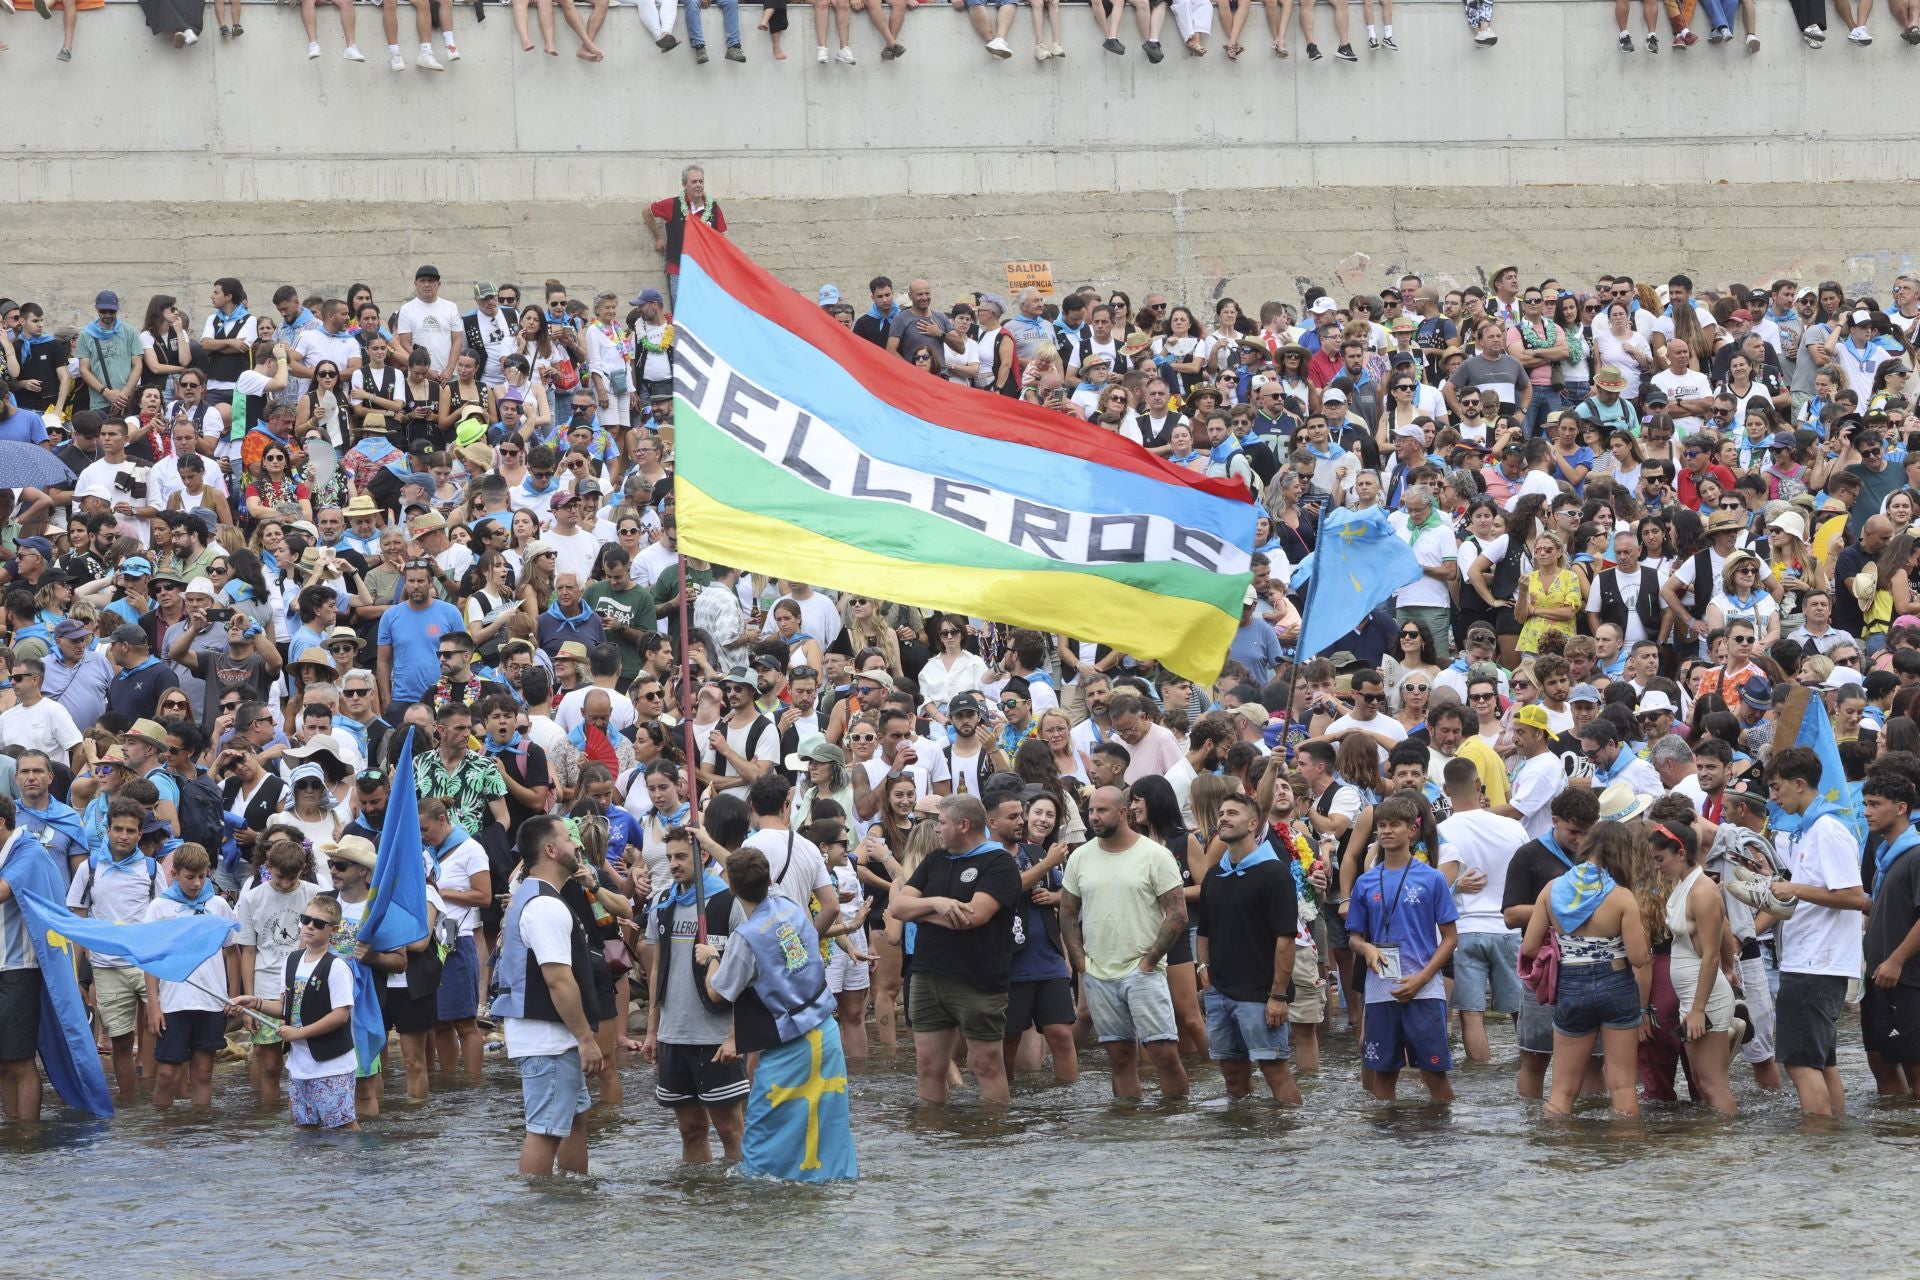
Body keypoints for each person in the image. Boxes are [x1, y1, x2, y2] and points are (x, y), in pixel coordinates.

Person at [700, 844, 859, 1183]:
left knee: (761, 1139)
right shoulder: (788, 904)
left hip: (789, 1045)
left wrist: (711, 957)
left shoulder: (745, 937)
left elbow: (718, 992)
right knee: (826, 1125)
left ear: (730, 888)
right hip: (826, 1033)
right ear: (770, 879)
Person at [887, 793, 1020, 1106]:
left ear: (963, 825)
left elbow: (973, 918)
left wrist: (921, 912)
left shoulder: (998, 862)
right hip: (926, 974)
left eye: (942, 823)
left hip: (978, 978)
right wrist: (937, 903)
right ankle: (933, 1138)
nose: (936, 830)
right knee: (928, 1066)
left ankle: (994, 1132)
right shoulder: (935, 860)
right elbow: (898, 908)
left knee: (985, 1064)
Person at [493, 815, 604, 1176]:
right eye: (569, 839)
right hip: (550, 1040)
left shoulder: (531, 896)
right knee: (544, 1132)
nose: (577, 845)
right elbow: (558, 980)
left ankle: (573, 1199)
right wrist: (586, 1038)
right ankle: (536, 1217)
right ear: (551, 849)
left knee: (574, 1120)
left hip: (548, 1038)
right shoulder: (545, 905)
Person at [1061, 786, 1190, 1101]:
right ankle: (1125, 1126)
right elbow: (1067, 914)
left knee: (1164, 1054)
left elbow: (1177, 914)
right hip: (1098, 972)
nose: (1094, 817)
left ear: (1123, 812)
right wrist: (1081, 964)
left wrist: (1149, 962)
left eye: (1101, 810)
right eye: (1091, 811)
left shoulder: (1154, 855)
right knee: (1118, 1057)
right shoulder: (1080, 857)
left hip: (1142, 971)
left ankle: (1176, 1119)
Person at [1519, 820, 1652, 1120]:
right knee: (1622, 1086)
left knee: (1563, 1090)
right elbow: (1638, 958)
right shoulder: (1621, 896)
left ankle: (1558, 1158)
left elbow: (1528, 948)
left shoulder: (1552, 890)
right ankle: (1626, 1154)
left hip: (1571, 984)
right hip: (1616, 981)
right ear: (1622, 853)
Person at [1765, 745, 1869, 1118]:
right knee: (1823, 1062)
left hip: (1815, 963)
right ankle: (1832, 1135)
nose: (1774, 797)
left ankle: (1816, 1141)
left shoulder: (1827, 829)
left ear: (1798, 783)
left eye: (1777, 788)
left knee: (1799, 1063)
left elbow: (1854, 896)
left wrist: (1794, 888)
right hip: (1812, 960)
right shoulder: (1809, 829)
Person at [643, 826, 747, 1164]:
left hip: (715, 1035)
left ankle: (738, 1199)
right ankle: (697, 1202)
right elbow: (657, 969)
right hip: (674, 1033)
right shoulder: (663, 903)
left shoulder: (727, 902)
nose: (673, 864)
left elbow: (745, 973)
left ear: (702, 856)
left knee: (730, 1129)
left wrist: (735, 1035)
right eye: (669, 857)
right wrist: (651, 1030)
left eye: (681, 857)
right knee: (690, 1129)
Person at [1345, 793, 1459, 1102]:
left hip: (1424, 989)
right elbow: (1354, 938)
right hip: (1381, 991)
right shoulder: (1366, 882)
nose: (1386, 831)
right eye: (1381, 825)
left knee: (1435, 1075)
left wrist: (1422, 978)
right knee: (1384, 1076)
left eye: (1395, 825)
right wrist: (1367, 949)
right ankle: (1387, 1147)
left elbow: (1450, 938)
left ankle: (1442, 1144)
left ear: (1412, 830)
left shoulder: (1432, 879)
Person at [1198, 792, 1302, 1105]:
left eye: (1233, 813)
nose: (1224, 818)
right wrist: (1204, 971)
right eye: (1221, 813)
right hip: (1220, 992)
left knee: (1275, 1071)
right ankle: (1240, 1141)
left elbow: (1286, 939)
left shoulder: (1273, 873)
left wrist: (1278, 995)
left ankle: (1291, 1142)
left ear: (1253, 823)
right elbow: (1204, 931)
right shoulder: (1214, 874)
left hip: (1260, 995)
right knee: (1231, 1073)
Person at [233, 894, 360, 1132]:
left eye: (318, 923)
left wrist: (299, 1033)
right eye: (306, 920)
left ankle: (352, 1166)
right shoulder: (292, 961)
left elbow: (340, 1015)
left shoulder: (337, 967)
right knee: (305, 1128)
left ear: (333, 930)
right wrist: (255, 1002)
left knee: (342, 1127)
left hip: (331, 1064)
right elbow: (285, 1008)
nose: (310, 926)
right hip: (300, 1065)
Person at [1436, 757, 1528, 1063]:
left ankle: (1479, 1076)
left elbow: (1434, 887)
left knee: (1471, 1015)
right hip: (1508, 928)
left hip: (1463, 931)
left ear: (1445, 789)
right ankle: (1531, 1073)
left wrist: (1457, 886)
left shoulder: (1440, 832)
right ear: (1479, 785)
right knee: (1521, 1010)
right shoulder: (1512, 828)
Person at [1647, 818, 1738, 1115]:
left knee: (1713, 1085)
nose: (1657, 866)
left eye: (1661, 859)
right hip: (1694, 998)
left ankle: (1728, 1150)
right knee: (1699, 1080)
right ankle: (1710, 1150)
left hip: (1706, 1001)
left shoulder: (1701, 892)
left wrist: (1698, 1009)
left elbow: (1711, 955)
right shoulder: (1684, 886)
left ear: (1681, 852)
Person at [140, 842, 239, 1110]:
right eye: (190, 877)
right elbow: (151, 960)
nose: (196, 884)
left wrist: (233, 996)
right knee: (167, 1073)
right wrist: (154, 1005)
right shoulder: (160, 908)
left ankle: (201, 1133)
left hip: (211, 1001)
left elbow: (232, 952)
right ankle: (163, 1131)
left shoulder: (218, 905)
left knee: (204, 1071)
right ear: (174, 874)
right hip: (174, 1002)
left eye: (202, 876)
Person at [234, 838, 319, 1108]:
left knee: (310, 1062)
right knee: (270, 1065)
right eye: (280, 877)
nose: (284, 884)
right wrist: (248, 1000)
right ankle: (269, 1120)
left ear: (303, 869)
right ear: (268, 866)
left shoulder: (316, 895)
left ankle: (307, 1116)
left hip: (307, 987)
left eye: (291, 878)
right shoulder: (252, 898)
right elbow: (247, 950)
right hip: (266, 988)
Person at [1861, 771, 1920, 1099]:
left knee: (1915, 1064)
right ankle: (1895, 1136)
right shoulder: (1886, 855)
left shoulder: (1916, 855)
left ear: (1900, 808)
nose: (1867, 811)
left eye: (1875, 804)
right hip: (1877, 975)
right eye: (1865, 804)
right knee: (1881, 1060)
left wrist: (1896, 960)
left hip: (1906, 978)